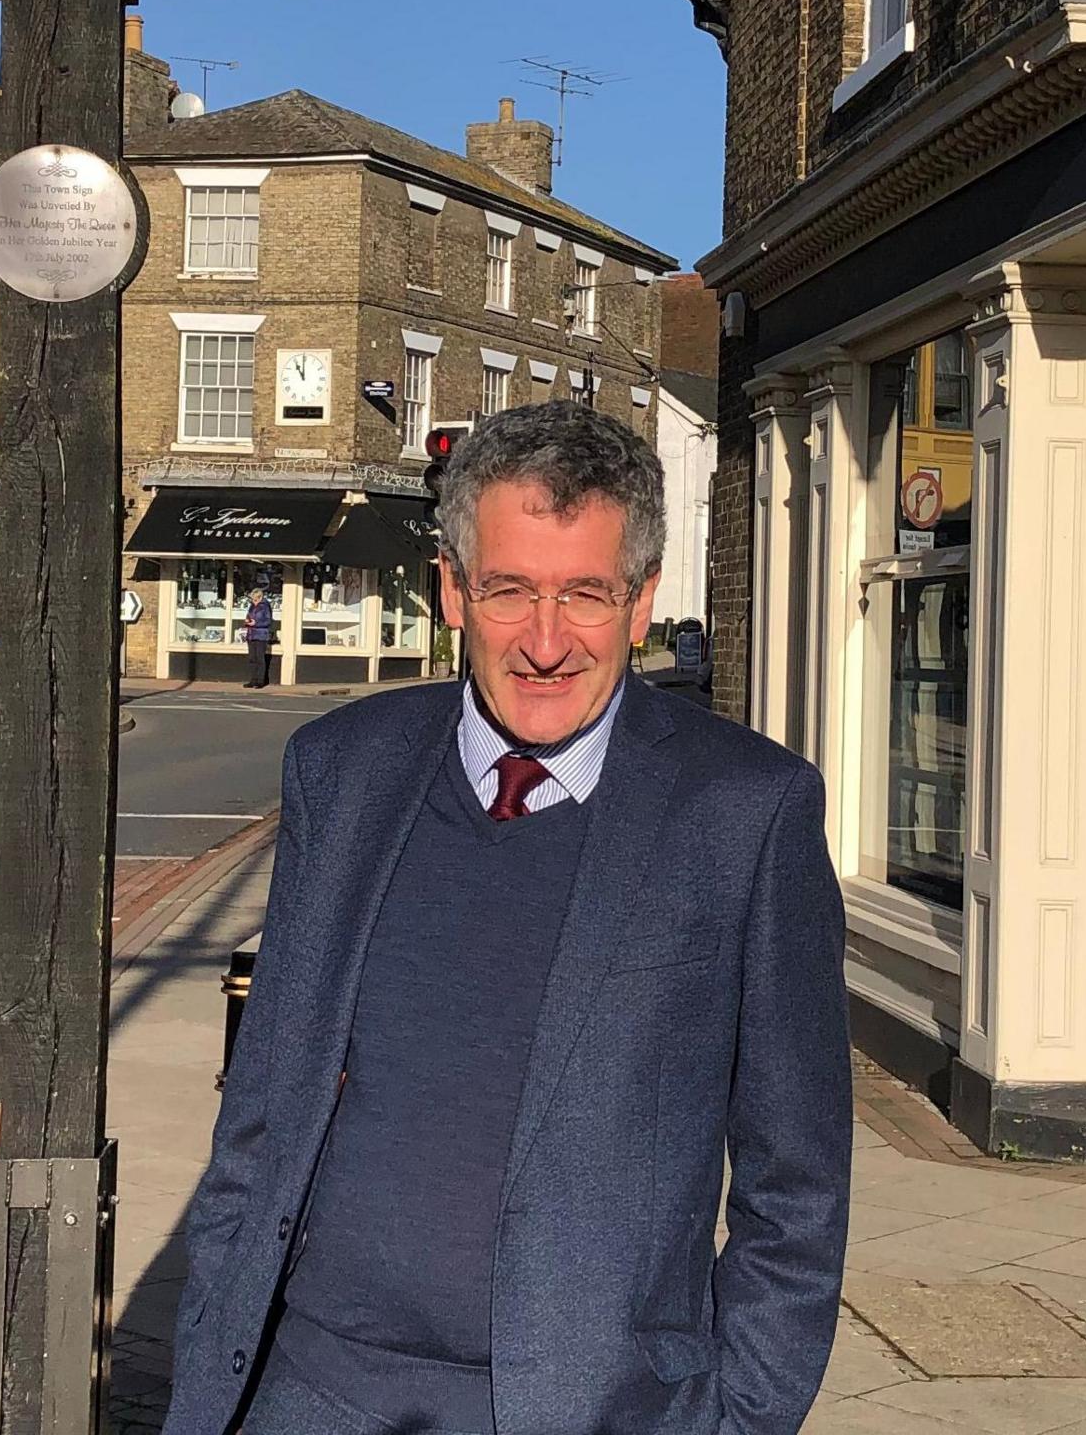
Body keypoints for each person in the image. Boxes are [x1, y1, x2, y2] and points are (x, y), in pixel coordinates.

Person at [168, 401, 850, 1435]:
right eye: (508, 591)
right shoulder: (342, 771)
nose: (544, 643)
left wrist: (738, 1420)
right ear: (451, 590)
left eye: (585, 594)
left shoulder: (744, 812)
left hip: (589, 1407)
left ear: (640, 601)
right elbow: (260, 1109)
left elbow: (793, 1189)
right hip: (303, 1392)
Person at [243, 586, 277, 689]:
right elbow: (249, 616)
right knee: (252, 659)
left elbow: (268, 621)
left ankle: (260, 681)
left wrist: (256, 623)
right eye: (253, 599)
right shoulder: (252, 606)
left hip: (261, 635)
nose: (254, 601)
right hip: (251, 634)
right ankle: (253, 680)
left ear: (260, 597)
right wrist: (248, 621)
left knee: (260, 658)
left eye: (256, 599)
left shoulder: (265, 606)